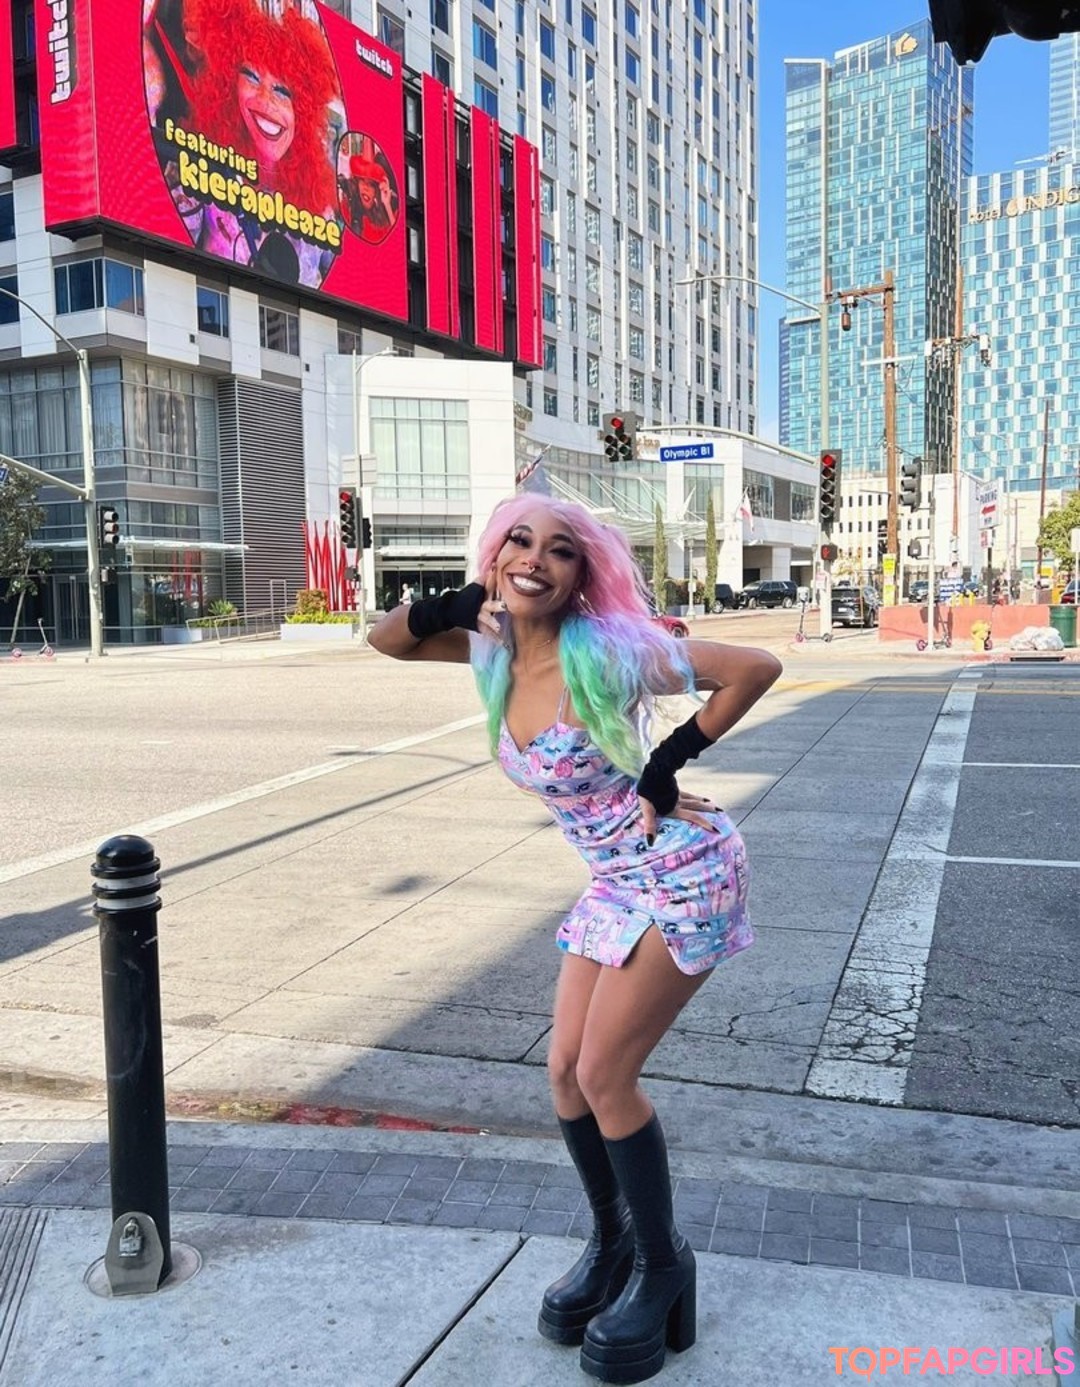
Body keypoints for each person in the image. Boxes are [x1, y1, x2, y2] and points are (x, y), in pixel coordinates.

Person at [368, 494, 780, 1384]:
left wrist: (665, 763)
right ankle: (613, 1241)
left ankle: (664, 1265)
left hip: (682, 866)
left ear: (579, 575)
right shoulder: (488, 645)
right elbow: (384, 639)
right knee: (562, 1071)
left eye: (560, 550)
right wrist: (448, 603)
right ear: (495, 554)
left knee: (604, 1074)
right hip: (613, 876)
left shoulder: (606, 650)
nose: (535, 560)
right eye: (519, 541)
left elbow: (754, 666)